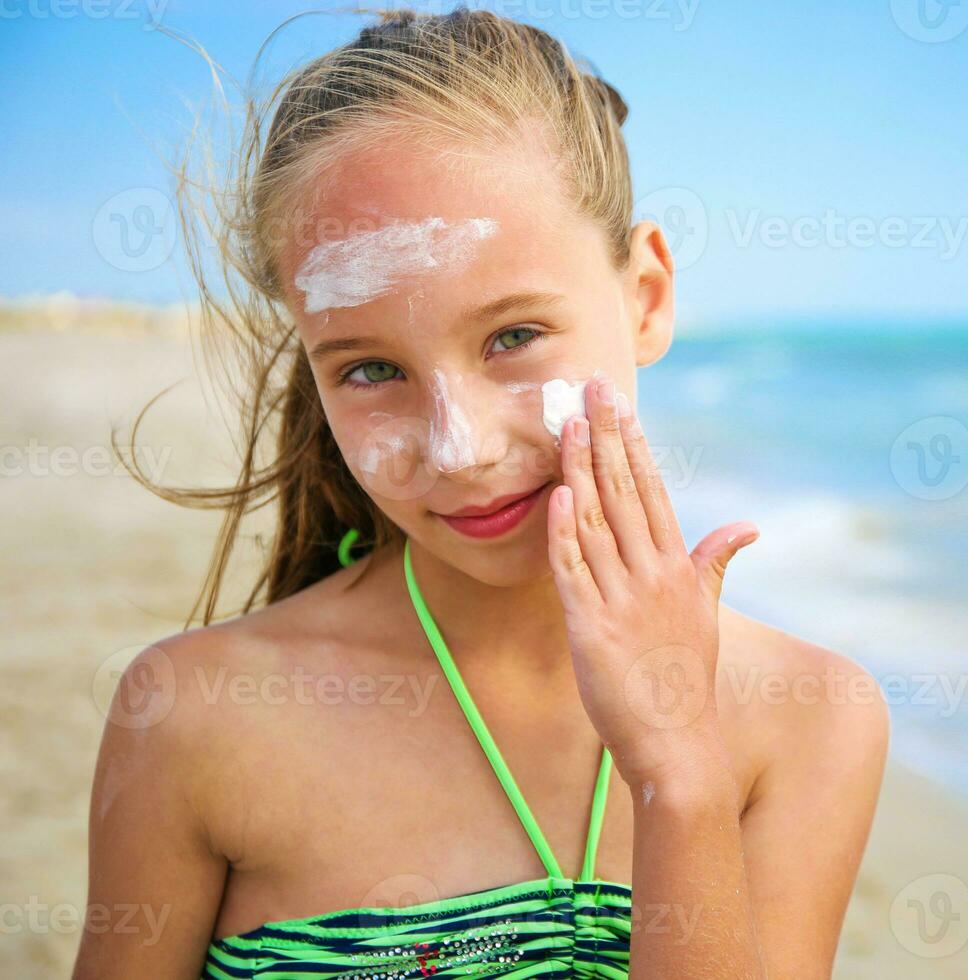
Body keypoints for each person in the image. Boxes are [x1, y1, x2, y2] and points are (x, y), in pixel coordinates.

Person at [74, 8, 888, 979]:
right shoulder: (194, 716)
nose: (457, 448)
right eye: (372, 368)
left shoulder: (809, 717)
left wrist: (679, 772)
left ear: (648, 298)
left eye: (512, 337)